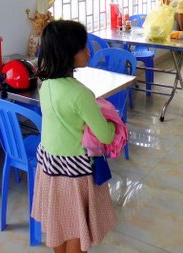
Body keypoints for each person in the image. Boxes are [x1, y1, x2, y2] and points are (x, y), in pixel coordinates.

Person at [32, 20, 117, 253]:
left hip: (49, 166)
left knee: (59, 223)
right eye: (83, 47)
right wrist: (112, 124)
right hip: (76, 172)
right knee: (79, 230)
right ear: (68, 53)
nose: (88, 52)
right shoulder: (82, 94)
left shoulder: (46, 85)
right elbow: (105, 136)